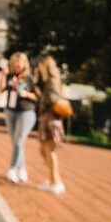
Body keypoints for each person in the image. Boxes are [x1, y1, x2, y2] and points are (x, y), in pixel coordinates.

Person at [0, 52, 37, 183]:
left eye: (19, 61)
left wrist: (26, 94)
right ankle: (23, 169)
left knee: (19, 140)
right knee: (16, 142)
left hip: (25, 111)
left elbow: (38, 96)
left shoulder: (29, 78)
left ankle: (13, 169)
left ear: (24, 63)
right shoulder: (10, 76)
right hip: (10, 111)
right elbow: (1, 89)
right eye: (14, 61)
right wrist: (3, 75)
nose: (16, 63)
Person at [34, 55, 66, 194]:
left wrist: (40, 95)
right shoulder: (47, 81)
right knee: (43, 150)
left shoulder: (53, 81)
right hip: (46, 119)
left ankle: (56, 181)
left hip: (51, 119)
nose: (39, 68)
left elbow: (53, 99)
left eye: (40, 66)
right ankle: (53, 179)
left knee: (49, 150)